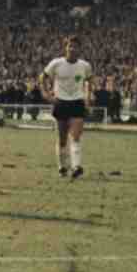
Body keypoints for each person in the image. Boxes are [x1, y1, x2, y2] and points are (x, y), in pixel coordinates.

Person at [39, 35, 93, 179]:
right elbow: (42, 77)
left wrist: (88, 98)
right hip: (60, 102)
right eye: (70, 46)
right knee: (62, 138)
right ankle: (62, 166)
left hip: (77, 102)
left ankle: (76, 166)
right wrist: (46, 94)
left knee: (75, 136)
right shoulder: (56, 63)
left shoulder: (85, 66)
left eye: (75, 46)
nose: (72, 48)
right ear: (66, 47)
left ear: (80, 49)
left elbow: (89, 81)